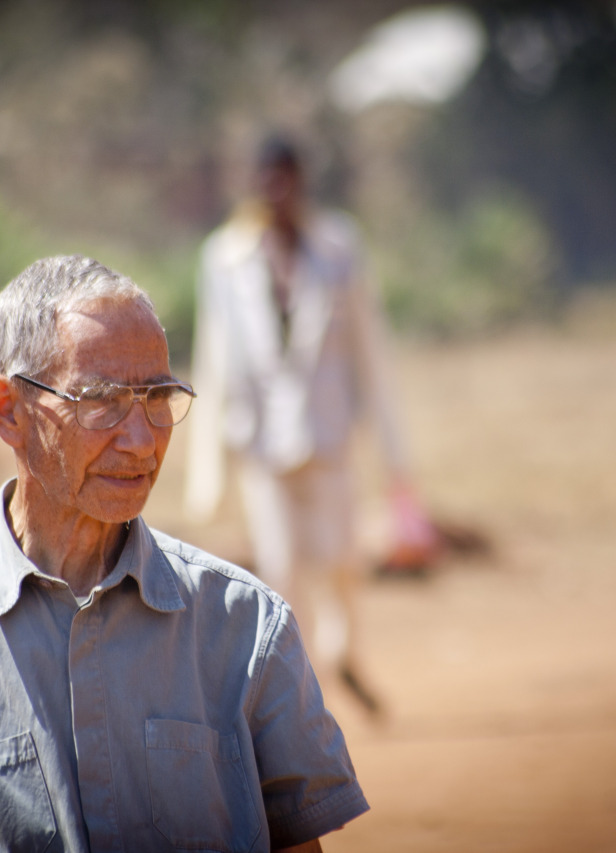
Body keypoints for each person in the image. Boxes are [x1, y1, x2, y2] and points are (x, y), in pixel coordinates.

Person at [0, 255, 368, 852]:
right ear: (8, 411)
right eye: (100, 400)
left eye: (158, 396)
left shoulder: (248, 627)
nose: (142, 438)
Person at [184, 136, 439, 714]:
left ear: (301, 181)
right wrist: (208, 472)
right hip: (261, 446)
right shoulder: (224, 257)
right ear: (252, 185)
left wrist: (396, 454)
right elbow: (213, 358)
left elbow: (371, 350)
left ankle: (343, 650)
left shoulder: (338, 247)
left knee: (342, 559)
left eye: (287, 178)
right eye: (266, 179)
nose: (277, 191)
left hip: (327, 439)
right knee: (279, 569)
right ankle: (296, 695)